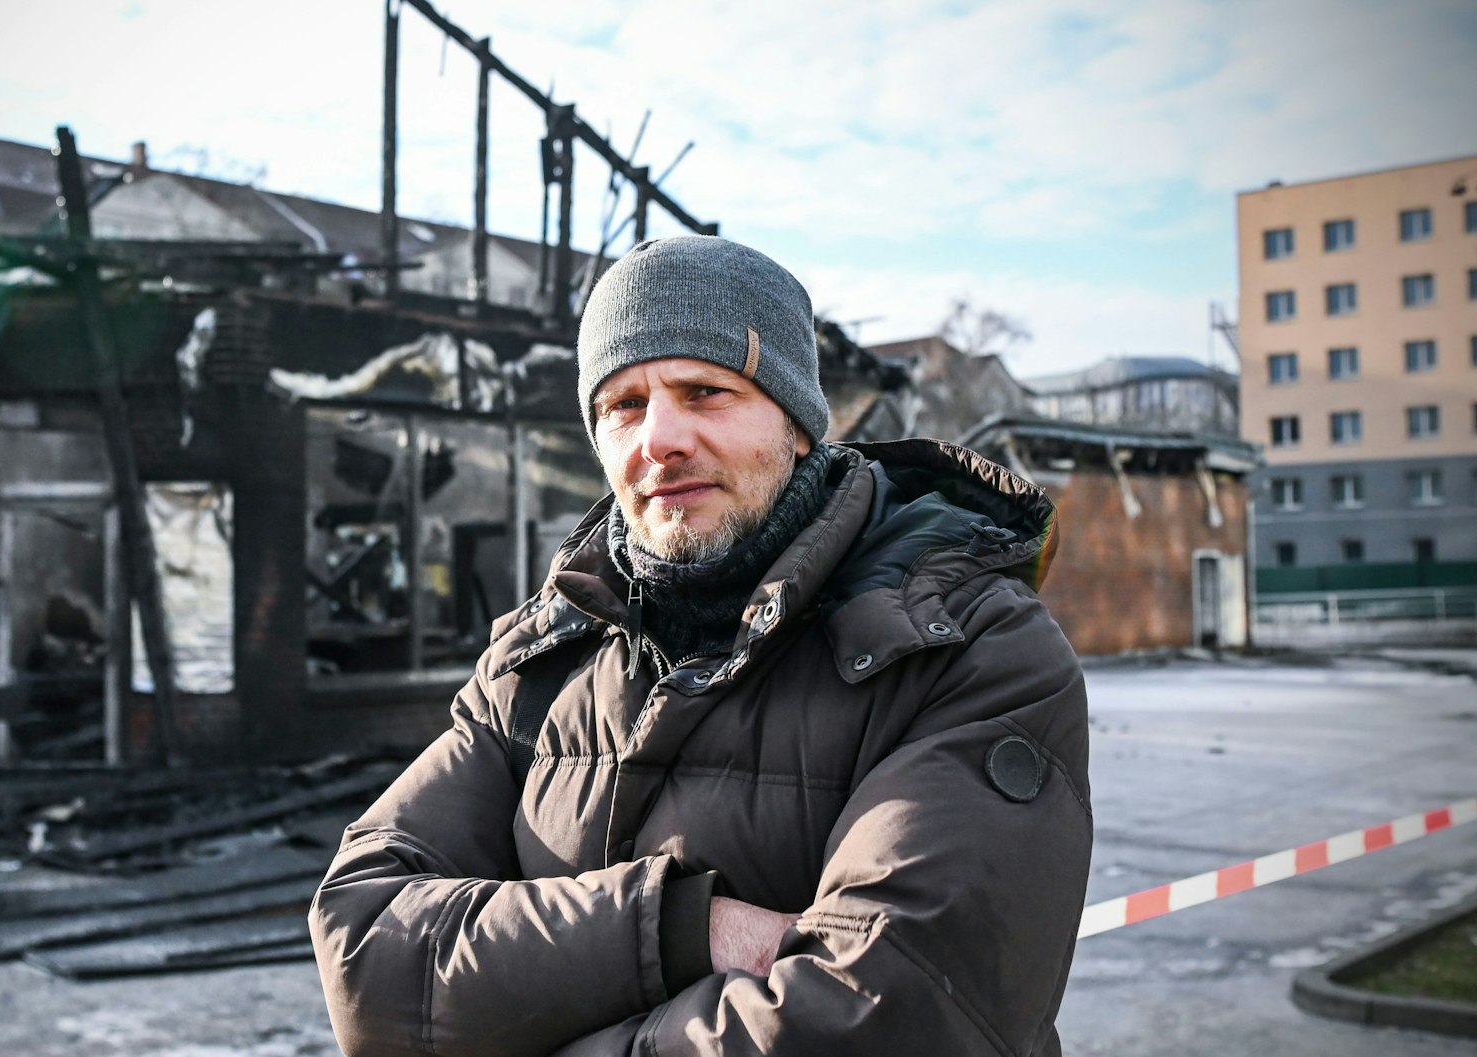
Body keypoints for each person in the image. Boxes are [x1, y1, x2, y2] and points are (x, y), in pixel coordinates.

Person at [309, 236, 1092, 1056]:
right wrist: (682, 927)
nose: (661, 437)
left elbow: (893, 1019)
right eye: (623, 404)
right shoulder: (542, 659)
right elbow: (365, 948)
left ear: (795, 426)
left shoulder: (965, 650)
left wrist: (518, 1009)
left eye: (704, 391)